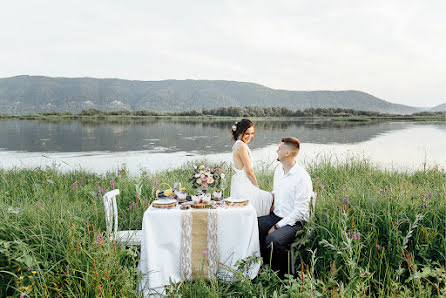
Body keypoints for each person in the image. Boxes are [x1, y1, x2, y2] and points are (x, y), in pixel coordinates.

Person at [258, 137, 313, 278]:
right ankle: (262, 267)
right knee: (253, 225)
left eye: (280, 148)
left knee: (273, 239)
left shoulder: (302, 177)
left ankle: (284, 277)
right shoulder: (278, 171)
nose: (277, 150)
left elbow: (301, 212)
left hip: (295, 223)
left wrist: (277, 226)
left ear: (287, 153)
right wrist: (270, 200)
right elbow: (276, 192)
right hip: (276, 216)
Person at [230, 119, 273, 216]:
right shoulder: (241, 146)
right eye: (247, 134)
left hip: (240, 182)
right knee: (269, 199)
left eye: (252, 133)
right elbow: (249, 171)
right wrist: (256, 186)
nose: (250, 136)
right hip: (244, 184)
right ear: (240, 132)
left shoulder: (239, 144)